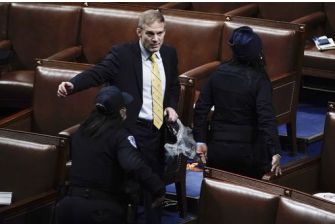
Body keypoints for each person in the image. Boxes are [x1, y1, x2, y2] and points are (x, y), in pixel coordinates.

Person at [57, 9, 180, 224]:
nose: (156, 39)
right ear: (138, 32)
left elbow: (173, 86)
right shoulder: (122, 54)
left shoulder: (169, 54)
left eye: (160, 33)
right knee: (128, 186)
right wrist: (73, 84)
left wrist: (170, 105)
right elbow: (98, 73)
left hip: (158, 131)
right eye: (150, 33)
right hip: (131, 129)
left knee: (154, 186)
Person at [55, 86, 165, 224]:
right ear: (122, 112)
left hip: (68, 207)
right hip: (101, 211)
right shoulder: (120, 135)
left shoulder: (80, 132)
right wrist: (157, 188)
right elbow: (133, 164)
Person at [193, 26, 282, 179]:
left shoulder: (218, 74)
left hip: (216, 151)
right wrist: (275, 151)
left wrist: (200, 140)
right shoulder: (260, 79)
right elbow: (266, 117)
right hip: (249, 155)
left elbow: (200, 109)